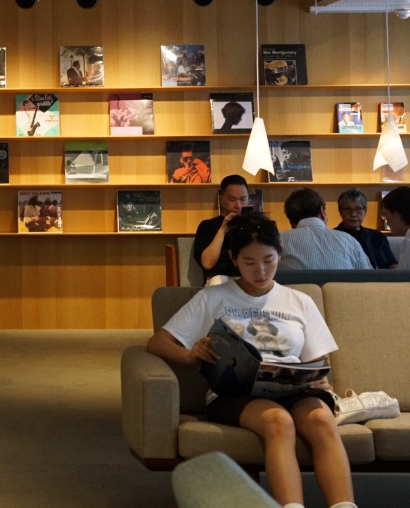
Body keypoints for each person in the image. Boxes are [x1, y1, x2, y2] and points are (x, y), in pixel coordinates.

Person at [147, 214, 357, 508]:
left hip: (293, 388)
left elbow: (318, 360)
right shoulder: (214, 297)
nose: (260, 271)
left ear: (280, 252)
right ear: (233, 258)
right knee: (278, 421)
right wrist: (190, 354)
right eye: (249, 262)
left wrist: (320, 381)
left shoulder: (299, 301)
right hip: (235, 392)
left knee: (321, 420)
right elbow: (157, 342)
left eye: (268, 260)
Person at [278, 188, 372, 270]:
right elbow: (369, 279)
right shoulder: (350, 241)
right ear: (322, 212)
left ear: (290, 222)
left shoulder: (278, 241)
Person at [192, 175, 249, 282]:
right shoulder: (207, 226)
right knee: (218, 281)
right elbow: (207, 264)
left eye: (243, 199)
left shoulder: (256, 225)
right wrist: (223, 228)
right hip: (218, 278)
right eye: (232, 199)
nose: (238, 205)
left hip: (249, 278)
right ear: (222, 200)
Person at [334, 188, 398, 269]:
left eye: (358, 209)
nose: (353, 214)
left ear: (365, 211)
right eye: (347, 209)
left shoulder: (378, 236)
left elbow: (393, 265)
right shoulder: (332, 237)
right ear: (340, 211)